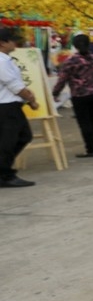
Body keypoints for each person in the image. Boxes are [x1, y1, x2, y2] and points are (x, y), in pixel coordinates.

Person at [51, 34, 93, 158]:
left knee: (84, 122)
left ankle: (91, 149)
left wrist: (55, 93)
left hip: (80, 95)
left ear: (75, 46)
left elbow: (62, 79)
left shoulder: (71, 61)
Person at [0, 27, 38, 187]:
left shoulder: (6, 60)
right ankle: (4, 174)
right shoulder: (2, 61)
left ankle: (4, 171)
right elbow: (14, 86)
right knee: (10, 141)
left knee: (21, 136)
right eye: (12, 40)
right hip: (6, 106)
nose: (15, 42)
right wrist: (31, 99)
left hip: (10, 105)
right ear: (3, 43)